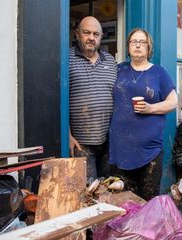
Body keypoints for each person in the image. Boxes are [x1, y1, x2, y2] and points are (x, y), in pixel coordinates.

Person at [109, 28, 178, 200]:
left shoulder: (158, 73)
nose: (138, 45)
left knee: (149, 200)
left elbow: (173, 102)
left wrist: (150, 108)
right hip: (121, 148)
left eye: (142, 42)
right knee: (127, 201)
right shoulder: (118, 70)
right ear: (128, 46)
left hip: (149, 150)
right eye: (134, 42)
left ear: (149, 47)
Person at [69, 16, 117, 182]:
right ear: (77, 34)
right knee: (88, 190)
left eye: (96, 34)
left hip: (109, 141)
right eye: (86, 32)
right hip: (81, 143)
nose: (91, 37)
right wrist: (67, 135)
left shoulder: (110, 61)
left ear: (101, 37)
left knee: (108, 187)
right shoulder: (66, 59)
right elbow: (58, 101)